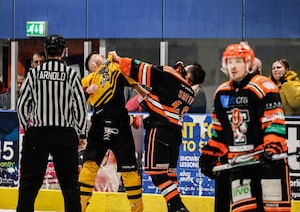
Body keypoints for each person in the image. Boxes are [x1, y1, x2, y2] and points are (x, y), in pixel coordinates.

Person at [199, 43, 291, 212]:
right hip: (240, 166)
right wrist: (209, 156)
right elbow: (220, 134)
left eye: (238, 61)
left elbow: (274, 122)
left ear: (248, 63)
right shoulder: (222, 93)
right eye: (229, 62)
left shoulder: (264, 86)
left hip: (270, 165)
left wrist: (272, 149)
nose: (233, 67)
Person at [109, 51, 200, 212]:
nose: (182, 67)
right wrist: (136, 87)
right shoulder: (190, 93)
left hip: (160, 130)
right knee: (170, 176)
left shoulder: (172, 76)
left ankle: (179, 208)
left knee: (158, 175)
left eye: (186, 69)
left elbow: (144, 69)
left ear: (187, 77)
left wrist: (119, 60)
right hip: (174, 134)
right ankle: (174, 208)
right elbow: (156, 101)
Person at [16, 34, 87, 212]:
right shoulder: (71, 74)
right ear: (63, 52)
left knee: (29, 184)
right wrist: (81, 133)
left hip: (38, 133)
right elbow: (79, 106)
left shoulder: (34, 74)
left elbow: (22, 104)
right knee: (70, 186)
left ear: (46, 52)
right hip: (65, 134)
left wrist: (28, 127)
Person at [79, 54, 144, 212]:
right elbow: (76, 95)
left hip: (109, 126)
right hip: (112, 127)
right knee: (91, 167)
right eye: (98, 56)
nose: (103, 55)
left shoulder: (110, 70)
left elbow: (135, 83)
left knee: (128, 172)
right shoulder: (97, 75)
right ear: (94, 65)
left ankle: (79, 207)